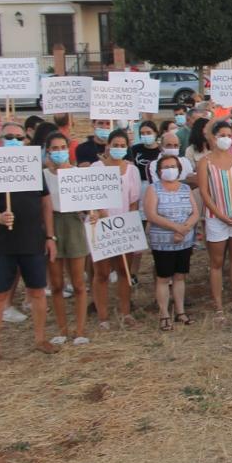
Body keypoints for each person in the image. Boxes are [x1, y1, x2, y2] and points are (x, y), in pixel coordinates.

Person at [0, 129, 57, 363]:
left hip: (33, 240)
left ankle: (40, 338)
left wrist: (50, 237)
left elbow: (45, 203)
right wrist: (0, 217)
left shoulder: (33, 166)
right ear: (0, 139)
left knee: (36, 291)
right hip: (3, 244)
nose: (14, 140)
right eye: (9, 136)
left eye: (19, 136)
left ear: (26, 140)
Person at [197, 120, 232, 319]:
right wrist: (221, 216)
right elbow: (204, 192)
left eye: (229, 135)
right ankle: (218, 305)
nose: (227, 139)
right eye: (223, 135)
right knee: (217, 262)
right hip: (216, 218)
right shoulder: (205, 162)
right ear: (213, 137)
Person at [89, 128, 141, 328]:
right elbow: (92, 197)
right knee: (101, 273)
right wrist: (102, 215)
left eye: (122, 146)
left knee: (124, 271)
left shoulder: (132, 170)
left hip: (123, 226)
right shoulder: (96, 168)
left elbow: (134, 201)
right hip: (102, 226)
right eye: (115, 145)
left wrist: (130, 224)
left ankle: (125, 312)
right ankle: (103, 316)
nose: (118, 149)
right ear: (107, 146)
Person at [44, 133, 90, 346]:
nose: (59, 151)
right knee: (56, 283)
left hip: (73, 224)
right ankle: (62, 329)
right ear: (48, 151)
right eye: (55, 148)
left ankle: (80, 330)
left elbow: (88, 203)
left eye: (63, 147)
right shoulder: (43, 176)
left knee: (78, 282)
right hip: (51, 224)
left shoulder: (77, 174)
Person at [144, 154, 199, 331]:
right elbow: (151, 215)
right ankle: (164, 314)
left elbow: (195, 213)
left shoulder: (185, 189)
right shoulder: (153, 189)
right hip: (162, 241)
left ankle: (180, 311)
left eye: (173, 166)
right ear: (159, 171)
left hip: (184, 241)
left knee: (180, 275)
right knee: (163, 277)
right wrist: (176, 228)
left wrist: (185, 228)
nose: (170, 170)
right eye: (166, 167)